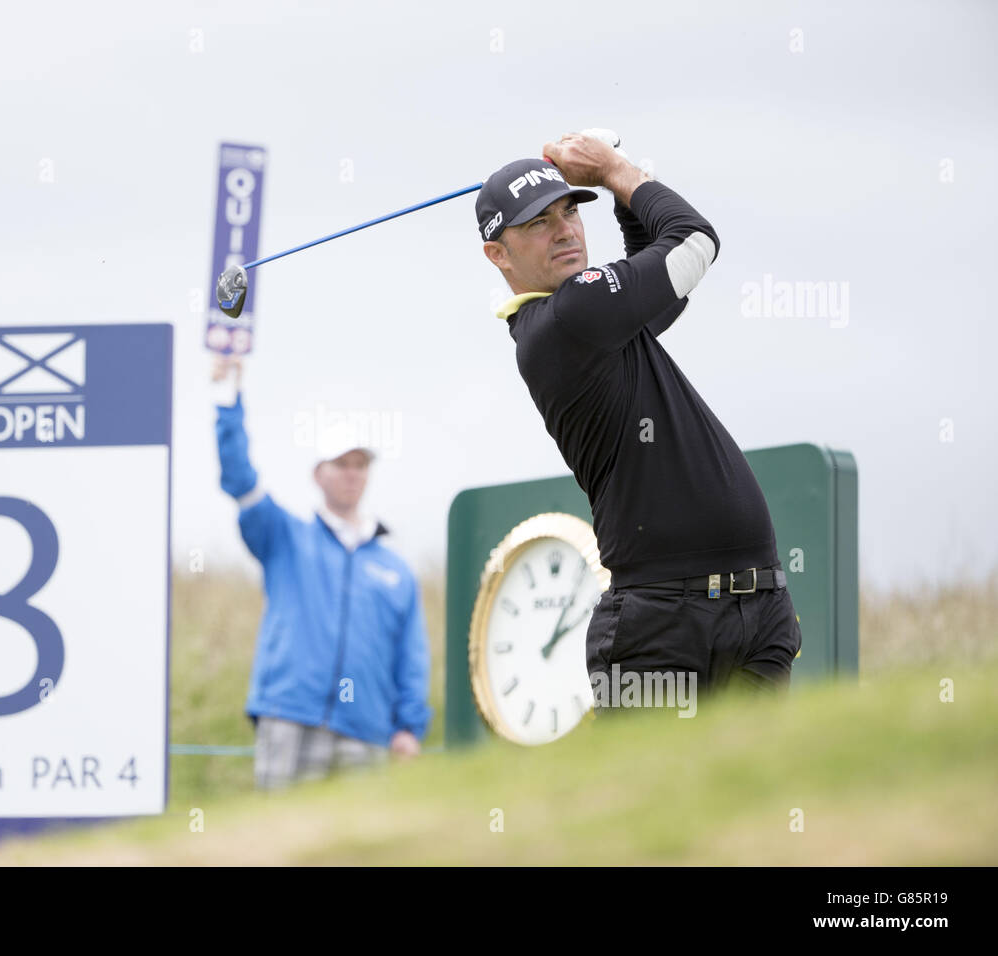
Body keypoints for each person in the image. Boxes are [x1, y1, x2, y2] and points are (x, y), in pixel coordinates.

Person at [477, 131, 801, 713]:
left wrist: (618, 192)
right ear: (498, 254)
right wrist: (612, 170)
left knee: (750, 801)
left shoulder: (593, 317)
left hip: (754, 609)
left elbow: (656, 276)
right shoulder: (569, 317)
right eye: (536, 223)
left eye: (569, 209)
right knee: (660, 801)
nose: (565, 230)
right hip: (662, 624)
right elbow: (694, 242)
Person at [210, 355, 431, 786]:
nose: (352, 474)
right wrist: (228, 398)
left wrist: (409, 727)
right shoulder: (283, 536)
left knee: (358, 853)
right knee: (277, 845)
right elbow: (239, 477)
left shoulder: (396, 570)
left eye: (360, 465)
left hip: (367, 732)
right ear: (318, 473)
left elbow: (411, 657)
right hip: (290, 717)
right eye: (341, 464)